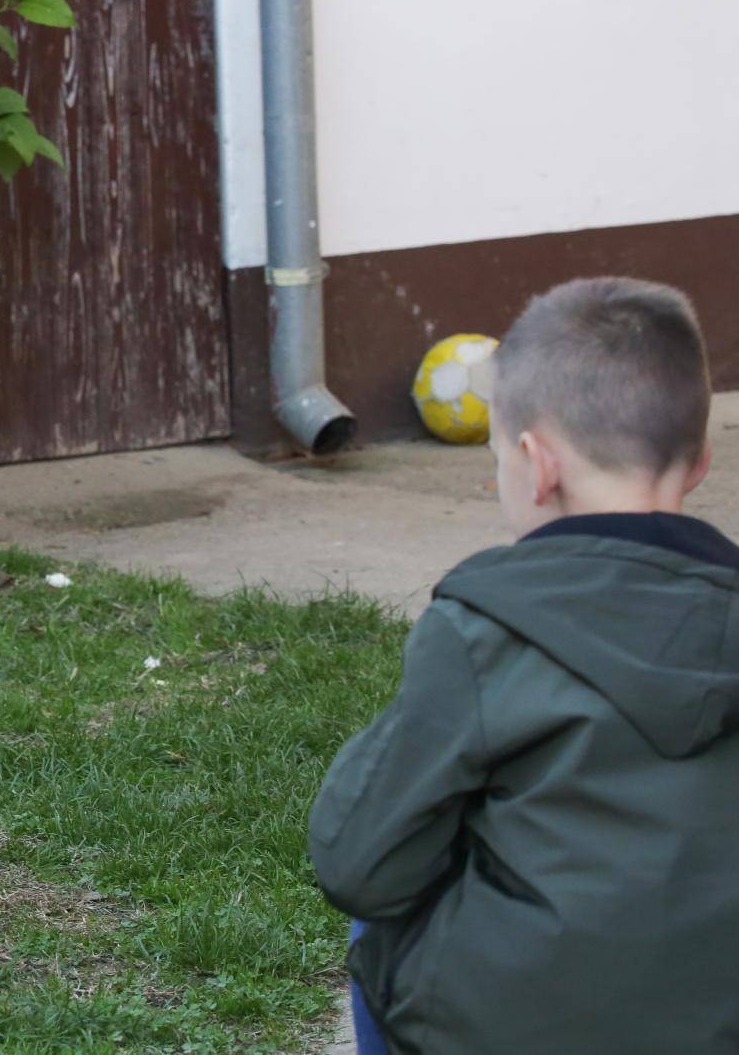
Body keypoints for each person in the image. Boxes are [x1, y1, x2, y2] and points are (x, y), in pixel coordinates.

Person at [309, 277, 739, 1053]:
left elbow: (355, 863)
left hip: (513, 1024)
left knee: (382, 899)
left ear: (536, 465)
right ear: (700, 459)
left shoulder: (484, 627)